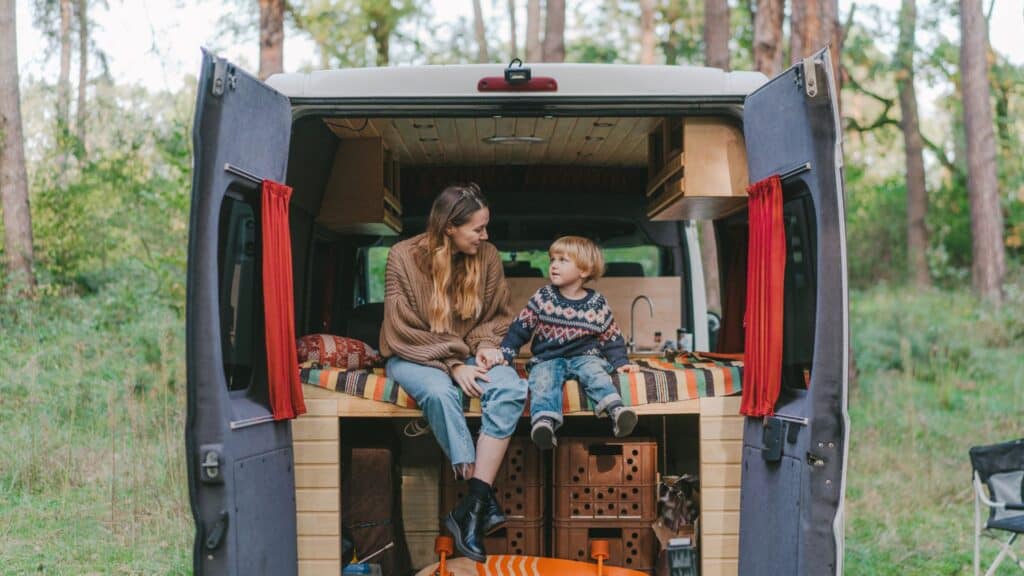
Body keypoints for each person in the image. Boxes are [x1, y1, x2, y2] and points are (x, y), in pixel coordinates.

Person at [379, 183, 526, 563]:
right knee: (441, 392)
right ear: (449, 227)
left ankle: (473, 503)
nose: (486, 235)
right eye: (478, 228)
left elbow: (497, 316)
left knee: (510, 389)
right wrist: (452, 364)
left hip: (470, 353)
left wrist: (485, 348)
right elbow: (401, 329)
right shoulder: (402, 256)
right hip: (414, 355)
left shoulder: (488, 256)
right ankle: (478, 505)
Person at [499, 235, 639, 450]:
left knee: (596, 374)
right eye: (552, 260)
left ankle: (616, 410)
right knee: (543, 379)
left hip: (585, 358)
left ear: (583, 271)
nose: (554, 265)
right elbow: (520, 328)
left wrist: (621, 362)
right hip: (548, 358)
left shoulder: (597, 303)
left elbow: (611, 337)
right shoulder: (543, 297)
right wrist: (506, 353)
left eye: (562, 260)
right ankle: (544, 422)